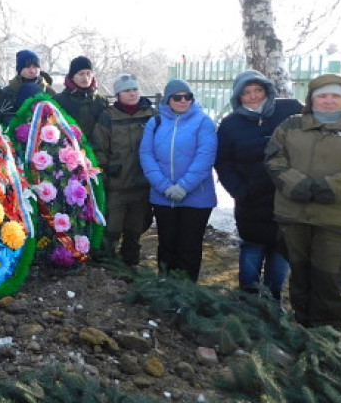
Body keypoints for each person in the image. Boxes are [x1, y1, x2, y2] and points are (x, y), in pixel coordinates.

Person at [265, 74, 341, 329]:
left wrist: (329, 188)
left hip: (337, 221)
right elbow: (274, 158)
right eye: (322, 96)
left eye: (335, 96)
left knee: (330, 280)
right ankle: (302, 327)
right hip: (294, 216)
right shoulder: (292, 125)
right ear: (311, 99)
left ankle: (326, 335)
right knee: (300, 275)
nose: (328, 101)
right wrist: (296, 184)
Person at [216, 70, 302, 301]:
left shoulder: (290, 110)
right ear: (238, 97)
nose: (253, 96)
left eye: (258, 90)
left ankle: (273, 301)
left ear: (267, 90)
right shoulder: (231, 124)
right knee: (252, 248)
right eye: (246, 93)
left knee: (280, 250)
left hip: (286, 198)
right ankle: (248, 302)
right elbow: (223, 162)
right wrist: (239, 191)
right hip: (251, 200)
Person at [139, 79, 218, 281]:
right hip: (163, 197)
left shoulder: (203, 122)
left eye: (187, 96)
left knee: (189, 247)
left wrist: (183, 186)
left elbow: (205, 157)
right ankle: (165, 287)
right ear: (168, 99)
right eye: (177, 97)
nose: (183, 100)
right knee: (167, 245)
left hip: (197, 198)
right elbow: (147, 155)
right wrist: (164, 186)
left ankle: (187, 291)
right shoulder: (155, 123)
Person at [92, 73, 157, 267]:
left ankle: (130, 265)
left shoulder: (151, 115)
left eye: (135, 89)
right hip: (117, 185)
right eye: (127, 90)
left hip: (142, 184)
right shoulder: (108, 116)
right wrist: (105, 173)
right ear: (118, 94)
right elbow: (99, 148)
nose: (132, 93)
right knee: (111, 228)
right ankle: (107, 265)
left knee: (135, 229)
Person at [53, 55, 108, 141]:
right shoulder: (58, 101)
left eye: (88, 73)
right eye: (81, 74)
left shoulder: (101, 101)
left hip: (96, 148)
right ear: (72, 77)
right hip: (68, 147)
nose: (85, 78)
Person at [3, 49, 54, 114]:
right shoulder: (9, 92)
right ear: (20, 70)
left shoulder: (48, 90)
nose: (32, 71)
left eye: (35, 67)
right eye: (27, 67)